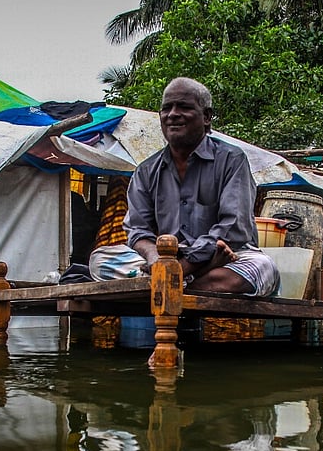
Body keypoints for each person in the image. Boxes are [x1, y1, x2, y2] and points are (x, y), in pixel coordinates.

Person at [89, 77, 279, 296]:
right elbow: (138, 230)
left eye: (184, 107)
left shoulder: (231, 160)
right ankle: (181, 281)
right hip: (170, 257)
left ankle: (165, 284)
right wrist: (156, 260)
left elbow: (233, 227)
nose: (172, 114)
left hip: (225, 256)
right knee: (100, 260)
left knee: (263, 269)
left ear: (206, 117)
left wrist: (183, 266)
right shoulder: (146, 171)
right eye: (166, 108)